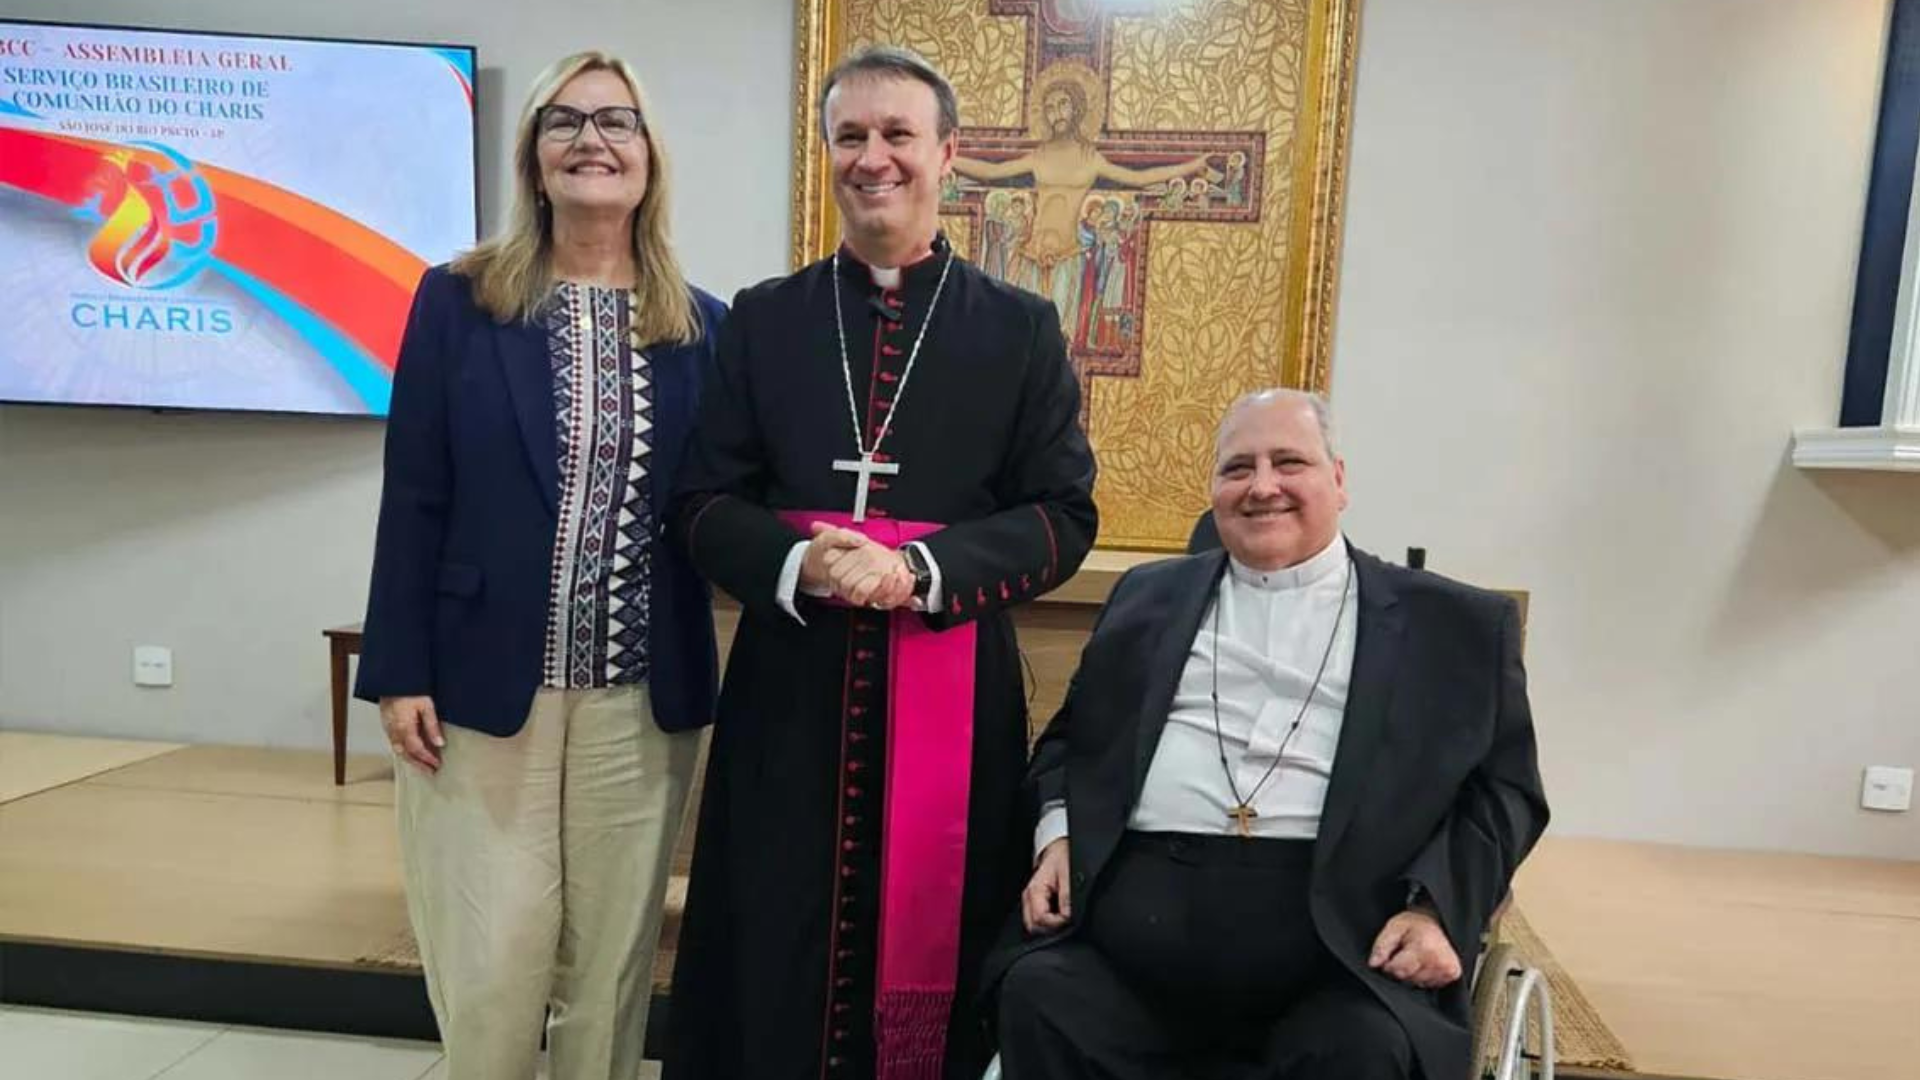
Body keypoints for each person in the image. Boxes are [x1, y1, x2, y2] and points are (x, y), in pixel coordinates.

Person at [663, 44, 1098, 1080]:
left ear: (948, 155)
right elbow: (701, 502)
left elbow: (1063, 513)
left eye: (898, 135)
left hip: (948, 681)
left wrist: (925, 571)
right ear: (828, 155)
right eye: (851, 136)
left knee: (937, 928)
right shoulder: (767, 317)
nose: (875, 158)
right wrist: (802, 562)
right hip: (792, 690)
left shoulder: (1021, 328)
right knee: (773, 924)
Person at [989, 389, 1549, 1080]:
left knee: (1364, 1049)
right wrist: (1057, 834)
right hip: (1132, 944)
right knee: (1039, 997)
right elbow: (1070, 743)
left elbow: (1506, 793)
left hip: (1341, 953)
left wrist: (1437, 910)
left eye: (1289, 462)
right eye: (1236, 468)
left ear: (1338, 480)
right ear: (1213, 490)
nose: (1262, 487)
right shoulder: (1145, 598)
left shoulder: (1456, 624)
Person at [353, 50, 726, 1080]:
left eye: (616, 122)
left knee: (608, 969)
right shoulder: (459, 302)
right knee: (495, 960)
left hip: (640, 702)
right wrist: (397, 671)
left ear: (650, 159)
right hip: (478, 693)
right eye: (565, 121)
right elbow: (414, 493)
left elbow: (725, 508)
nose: (591, 141)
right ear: (534, 155)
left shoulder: (703, 329)